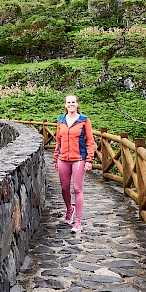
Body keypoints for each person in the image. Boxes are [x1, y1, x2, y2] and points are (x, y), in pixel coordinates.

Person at [53, 94, 95, 233]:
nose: (71, 104)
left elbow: (90, 141)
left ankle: (78, 221)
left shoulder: (84, 120)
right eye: (68, 102)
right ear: (65, 105)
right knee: (65, 188)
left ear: (77, 104)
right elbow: (58, 140)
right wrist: (55, 158)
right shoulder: (61, 120)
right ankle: (69, 209)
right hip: (63, 158)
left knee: (77, 189)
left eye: (73, 102)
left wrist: (89, 159)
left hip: (79, 159)